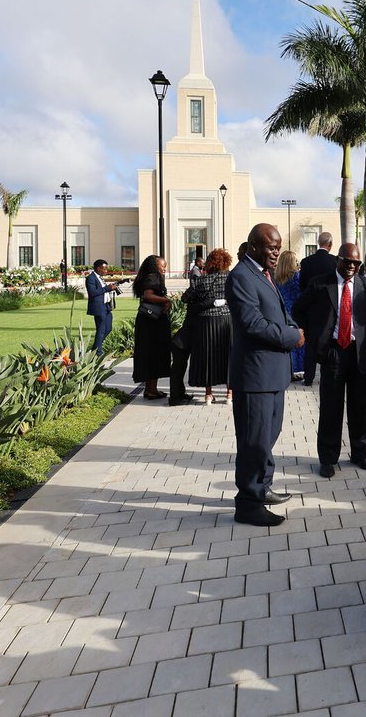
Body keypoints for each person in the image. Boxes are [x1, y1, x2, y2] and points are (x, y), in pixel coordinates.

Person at [225, 224, 304, 527]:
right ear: (254, 246)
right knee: (253, 441)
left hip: (272, 374)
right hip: (255, 376)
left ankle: (263, 487)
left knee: (267, 437)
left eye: (278, 247)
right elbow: (253, 324)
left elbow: (279, 313)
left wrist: (293, 327)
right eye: (272, 247)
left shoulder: (263, 274)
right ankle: (248, 504)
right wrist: (290, 337)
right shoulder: (241, 276)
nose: (276, 252)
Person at [292, 244, 366, 478]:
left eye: (356, 263)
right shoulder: (321, 283)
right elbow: (298, 309)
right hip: (333, 352)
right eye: (347, 261)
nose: (352, 266)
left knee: (359, 405)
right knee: (331, 407)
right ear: (338, 260)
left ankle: (360, 453)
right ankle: (327, 458)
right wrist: (311, 337)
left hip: (358, 352)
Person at [184, 247, 233, 404]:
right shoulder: (230, 279)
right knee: (228, 356)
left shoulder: (201, 280)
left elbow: (185, 298)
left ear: (210, 263)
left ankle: (208, 394)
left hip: (205, 323)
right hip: (226, 321)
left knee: (207, 357)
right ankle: (229, 394)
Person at [299, 231, 337, 386]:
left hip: (311, 307)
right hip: (330, 308)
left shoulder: (306, 262)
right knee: (330, 341)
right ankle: (328, 376)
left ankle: (308, 377)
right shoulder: (335, 261)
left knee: (310, 343)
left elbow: (302, 287)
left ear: (317, 243)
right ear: (330, 244)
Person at [132, 255, 172, 400]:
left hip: (148, 321)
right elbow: (148, 295)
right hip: (152, 321)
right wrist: (166, 300)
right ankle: (150, 390)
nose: (164, 269)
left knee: (151, 354)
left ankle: (151, 389)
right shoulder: (153, 277)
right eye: (163, 266)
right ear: (155, 266)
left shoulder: (147, 276)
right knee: (154, 353)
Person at [274, 250, 305, 380]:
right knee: (298, 340)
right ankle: (299, 369)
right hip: (296, 311)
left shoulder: (276, 278)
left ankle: (287, 369)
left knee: (286, 341)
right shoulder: (297, 277)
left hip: (282, 311)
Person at [85, 259, 123, 357]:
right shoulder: (91, 278)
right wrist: (107, 288)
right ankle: (98, 354)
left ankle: (94, 349)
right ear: (98, 268)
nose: (106, 271)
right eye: (104, 269)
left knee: (108, 328)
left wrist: (111, 288)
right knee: (101, 330)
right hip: (98, 307)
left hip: (106, 307)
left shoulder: (100, 277)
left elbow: (102, 290)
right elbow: (92, 293)